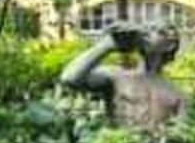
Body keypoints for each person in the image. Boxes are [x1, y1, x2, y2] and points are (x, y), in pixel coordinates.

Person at [60, 23, 188, 131]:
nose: (146, 34)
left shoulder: (176, 94)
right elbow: (69, 78)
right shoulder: (116, 76)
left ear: (170, 44)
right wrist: (107, 45)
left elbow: (182, 134)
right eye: (146, 30)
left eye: (156, 31)